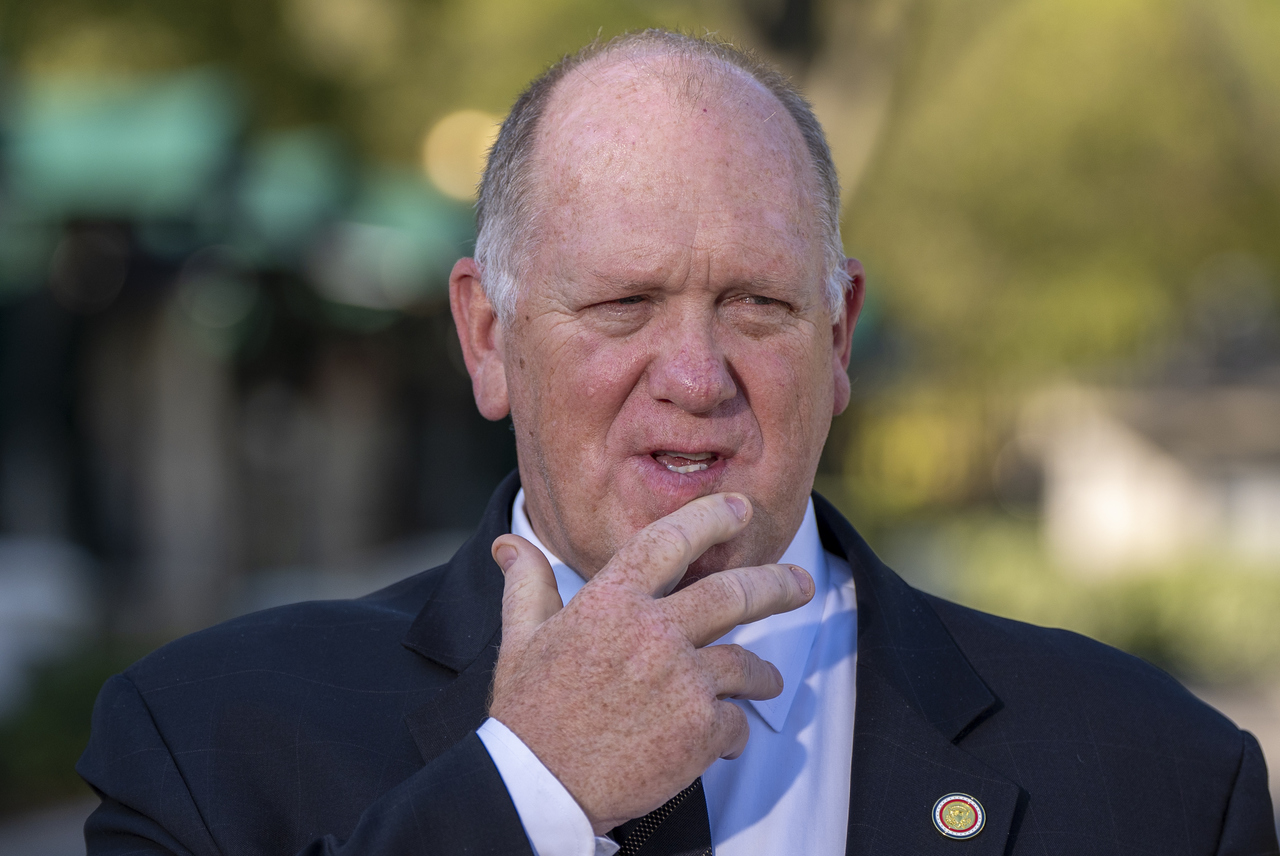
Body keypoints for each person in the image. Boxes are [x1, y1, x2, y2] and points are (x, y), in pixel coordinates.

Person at [78, 29, 1278, 856]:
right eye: (623, 304)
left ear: (838, 334)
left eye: (755, 304)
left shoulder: (1160, 776)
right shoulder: (205, 742)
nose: (696, 376)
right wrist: (530, 794)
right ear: (487, 338)